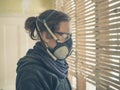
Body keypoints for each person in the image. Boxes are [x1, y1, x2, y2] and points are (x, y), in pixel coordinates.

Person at [16, 9, 73, 90]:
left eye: (69, 36)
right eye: (64, 35)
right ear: (46, 35)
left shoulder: (58, 63)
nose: (69, 42)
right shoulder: (31, 73)